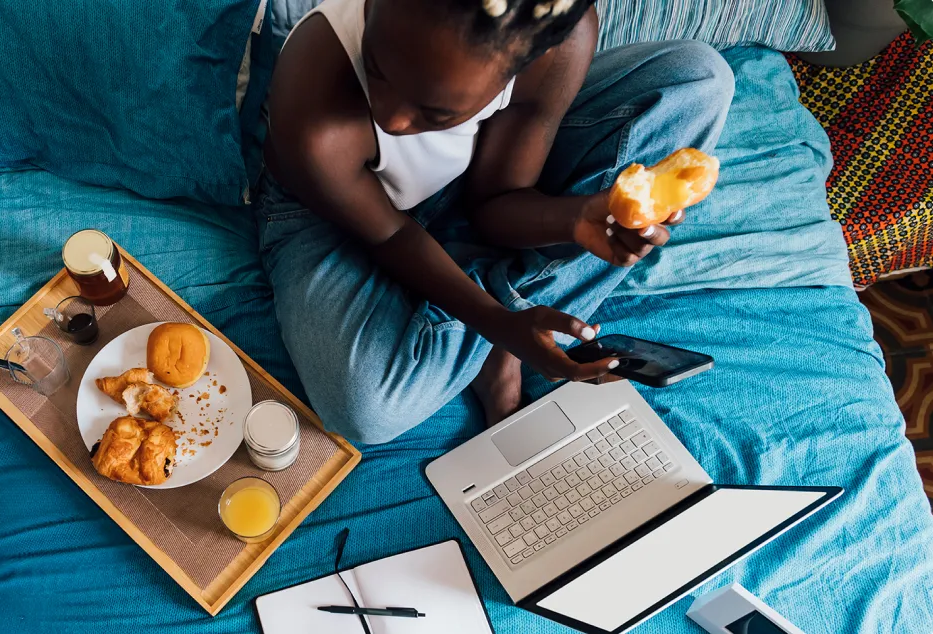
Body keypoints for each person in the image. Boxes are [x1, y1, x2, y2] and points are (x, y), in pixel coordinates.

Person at [256, 0, 734, 443]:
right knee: (368, 408)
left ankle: (486, 333)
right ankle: (505, 325)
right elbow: (391, 234)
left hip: (465, 178)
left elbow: (497, 203)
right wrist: (498, 323)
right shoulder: (315, 107)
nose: (393, 119)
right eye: (378, 69)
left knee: (699, 79)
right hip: (333, 216)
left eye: (436, 112)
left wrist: (580, 217)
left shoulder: (555, 42)